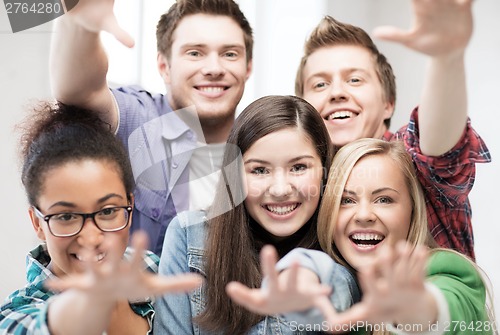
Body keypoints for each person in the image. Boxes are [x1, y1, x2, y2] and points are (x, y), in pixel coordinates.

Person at [227, 139, 496, 335]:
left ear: (413, 210)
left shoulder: (448, 270)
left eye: (384, 199)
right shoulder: (342, 285)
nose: (364, 214)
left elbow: (448, 305)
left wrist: (417, 310)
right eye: (346, 200)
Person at [49, 0, 253, 255]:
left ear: (248, 68)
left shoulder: (261, 144)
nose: (214, 69)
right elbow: (80, 90)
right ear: (164, 67)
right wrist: (78, 27)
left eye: (230, 54)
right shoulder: (141, 120)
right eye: (194, 53)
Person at [294, 0, 491, 259]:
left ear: (388, 104)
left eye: (355, 80)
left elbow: (439, 150)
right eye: (320, 84)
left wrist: (446, 58)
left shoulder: (409, 160)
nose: (337, 92)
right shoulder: (302, 181)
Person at [154, 95, 361, 334]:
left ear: (325, 172)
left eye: (298, 167)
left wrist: (310, 274)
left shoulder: (343, 245)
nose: (280, 189)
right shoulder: (189, 235)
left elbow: (341, 285)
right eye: (260, 170)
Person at [0, 102, 202, 334]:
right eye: (66, 216)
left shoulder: (153, 268)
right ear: (37, 223)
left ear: (130, 205)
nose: (91, 237)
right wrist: (88, 305)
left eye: (107, 211)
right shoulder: (15, 315)